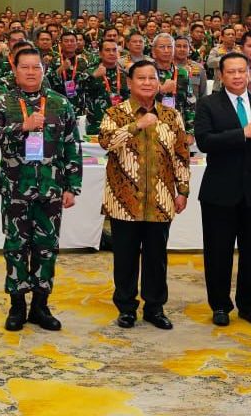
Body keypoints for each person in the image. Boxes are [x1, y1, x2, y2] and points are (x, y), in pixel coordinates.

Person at [0, 47, 82, 332]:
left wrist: (73, 186)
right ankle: (17, 305)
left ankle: (40, 305)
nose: (30, 72)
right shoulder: (3, 102)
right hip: (15, 188)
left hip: (51, 188)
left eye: (36, 67)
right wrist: (21, 126)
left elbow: (72, 146)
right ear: (14, 70)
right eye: (24, 67)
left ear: (43, 70)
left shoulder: (60, 103)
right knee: (15, 247)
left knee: (47, 247)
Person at [193, 52, 251, 328]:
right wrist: (241, 134)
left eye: (241, 71)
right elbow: (204, 141)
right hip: (219, 192)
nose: (236, 76)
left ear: (249, 74)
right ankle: (220, 305)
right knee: (218, 253)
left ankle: (248, 305)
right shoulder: (208, 104)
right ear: (221, 76)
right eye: (230, 72)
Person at [99, 60, 191, 330]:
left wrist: (183, 190)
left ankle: (155, 308)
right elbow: (106, 142)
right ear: (130, 82)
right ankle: (126, 308)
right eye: (142, 78)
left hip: (160, 200)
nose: (148, 83)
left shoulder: (172, 116)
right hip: (123, 201)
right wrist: (136, 125)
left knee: (156, 258)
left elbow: (181, 155)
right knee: (125, 258)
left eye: (153, 78)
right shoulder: (115, 114)